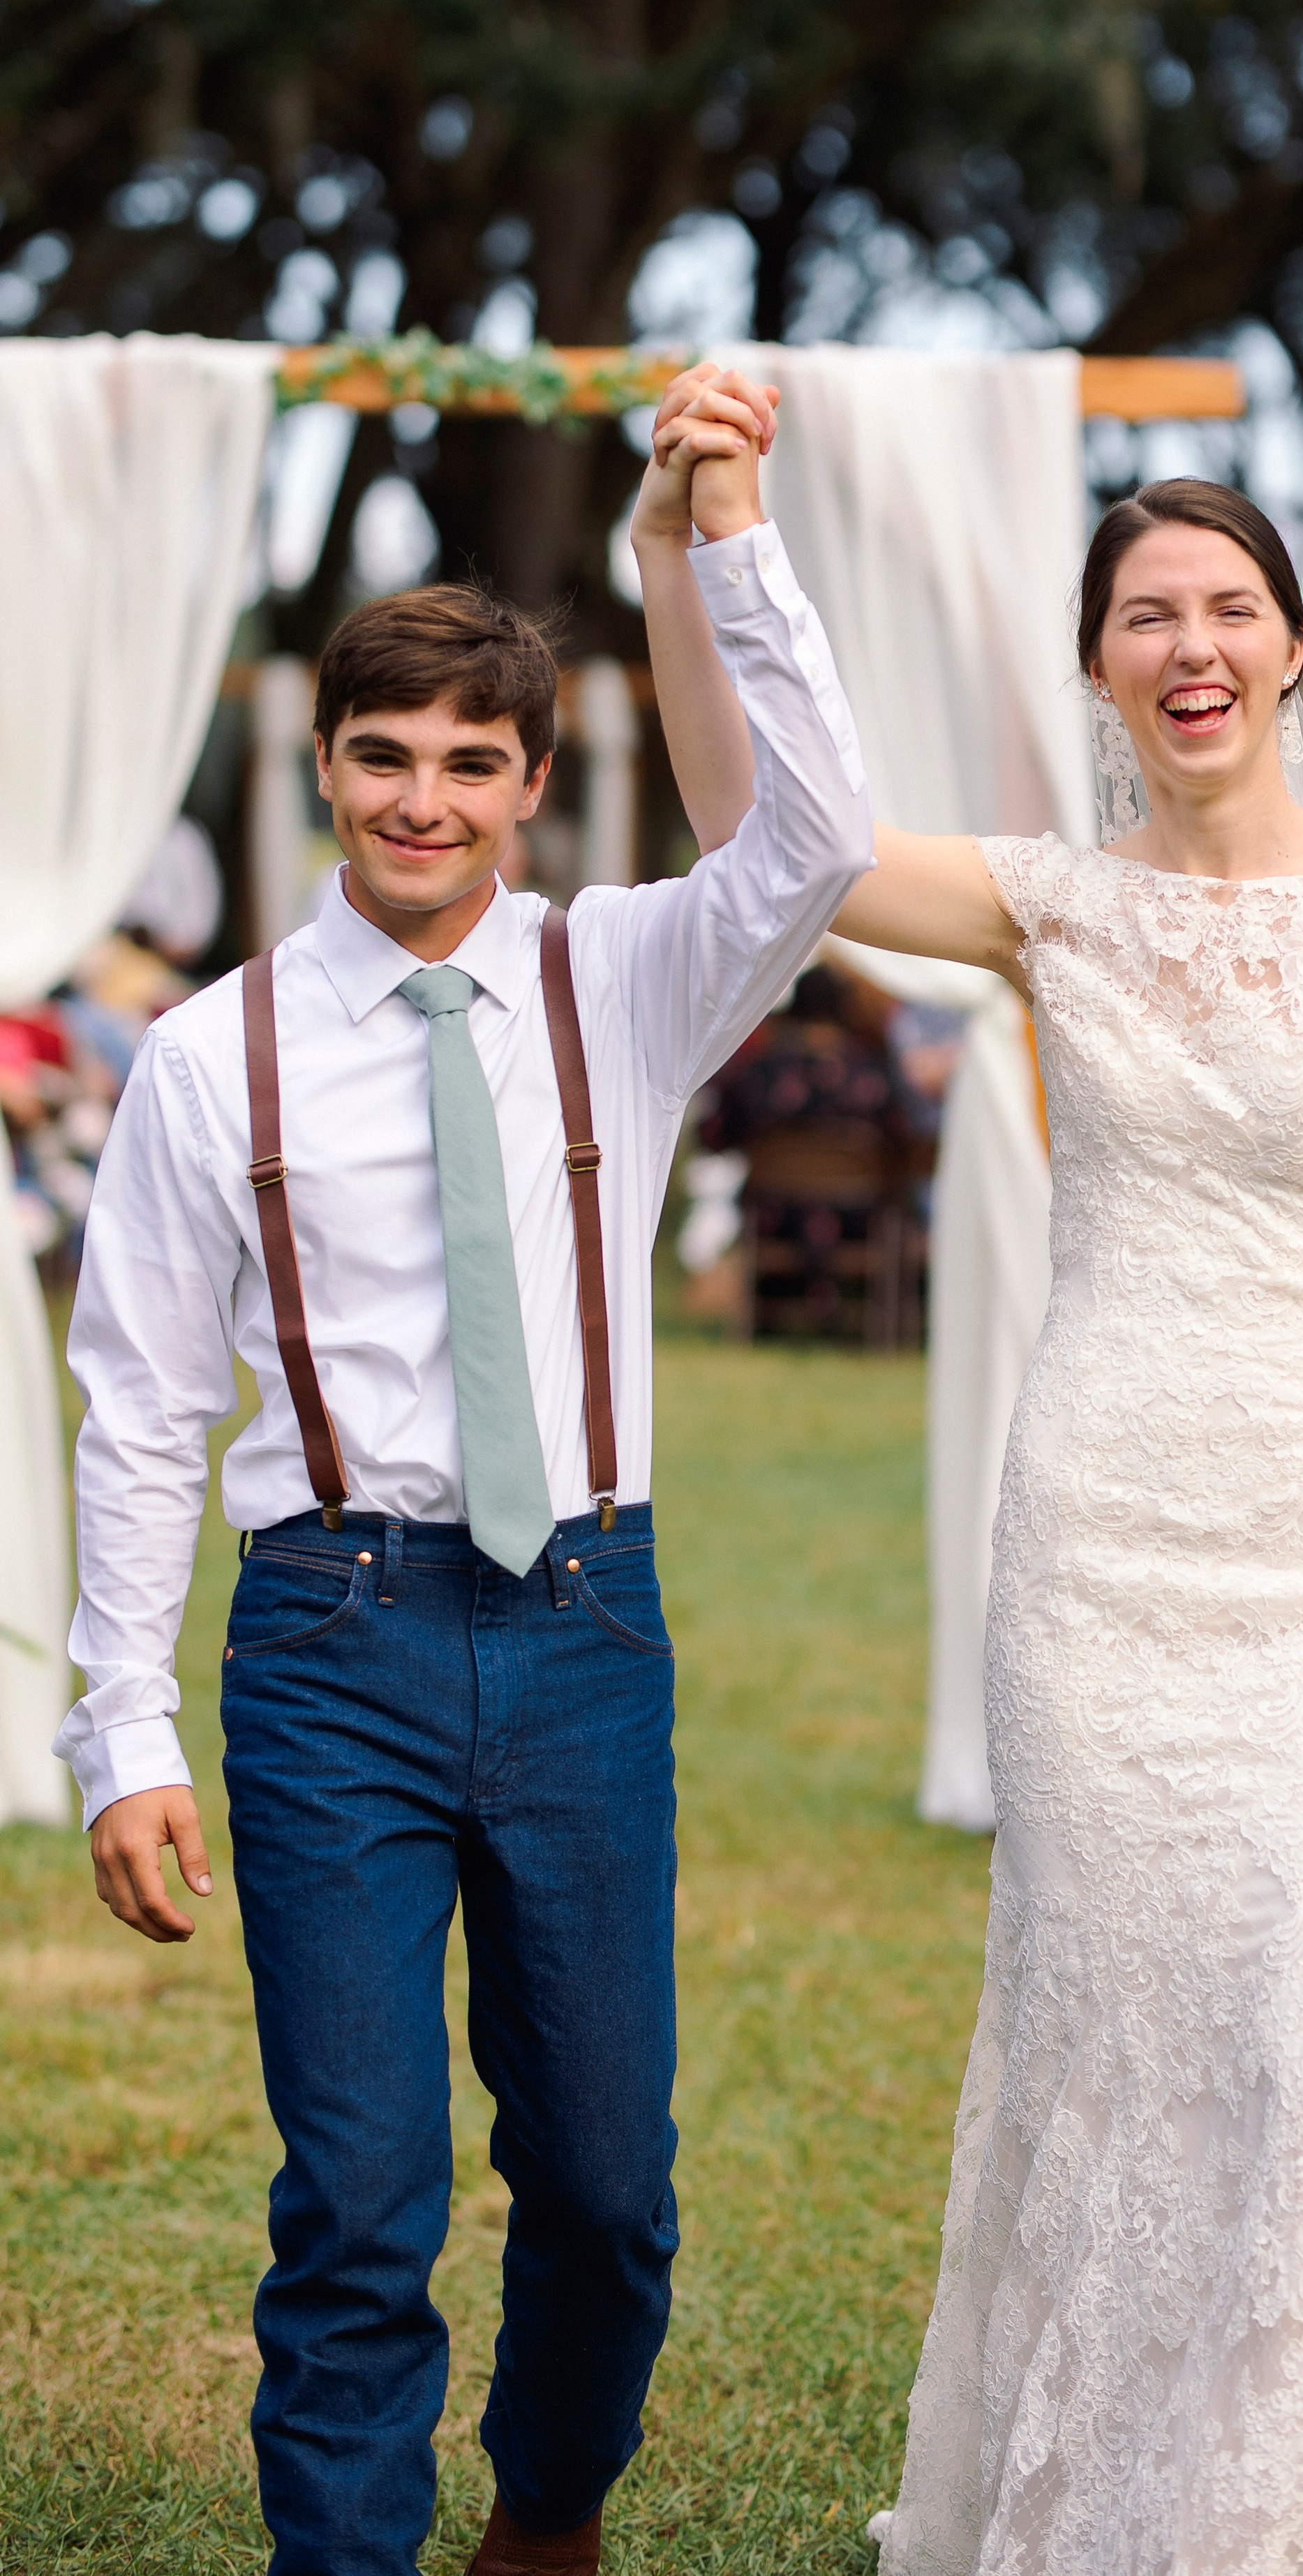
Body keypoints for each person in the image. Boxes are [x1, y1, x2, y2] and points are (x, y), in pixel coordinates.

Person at [52, 365, 872, 2576]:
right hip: (331, 1638)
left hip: (588, 1623)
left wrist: (713, 537)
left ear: (526, 787)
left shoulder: (632, 975)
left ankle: (546, 2503)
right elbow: (138, 1404)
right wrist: (120, 1724)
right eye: (385, 754)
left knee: (606, 2178)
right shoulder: (209, 1055)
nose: (424, 798)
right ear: (329, 762)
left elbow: (816, 837)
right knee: (359, 2193)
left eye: (470, 762)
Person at [817, 478, 1303, 2572]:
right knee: (1120, 2055)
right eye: (1146, 610)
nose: (1190, 641)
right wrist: (690, 551)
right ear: (1096, 665)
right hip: (1093, 1561)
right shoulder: (1048, 902)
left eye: (1229, 605)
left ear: (1286, 645)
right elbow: (777, 824)